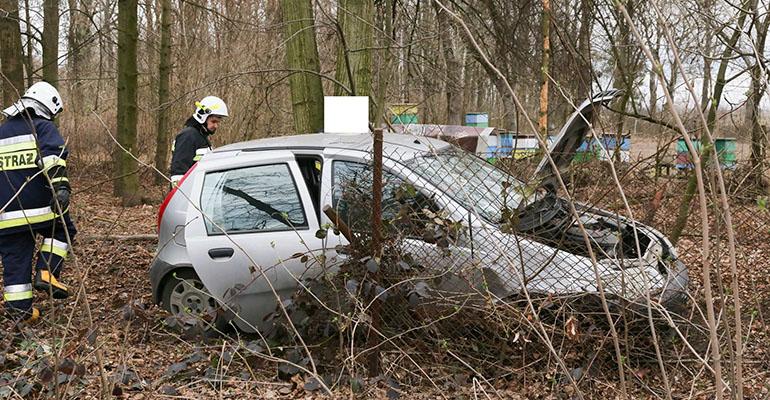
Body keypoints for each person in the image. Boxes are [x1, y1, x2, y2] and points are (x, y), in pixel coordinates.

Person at [0, 81, 75, 323]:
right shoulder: (42, 127)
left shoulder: (1, 131)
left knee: (15, 260)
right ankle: (47, 271)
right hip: (40, 208)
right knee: (63, 229)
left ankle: (20, 312)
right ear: (47, 106)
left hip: (5, 215)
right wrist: (61, 187)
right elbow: (52, 158)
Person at [169, 96, 229, 184]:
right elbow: (178, 174)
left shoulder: (200, 136)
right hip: (190, 191)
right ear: (203, 117)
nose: (216, 126)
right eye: (213, 121)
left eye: (218, 122)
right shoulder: (188, 136)